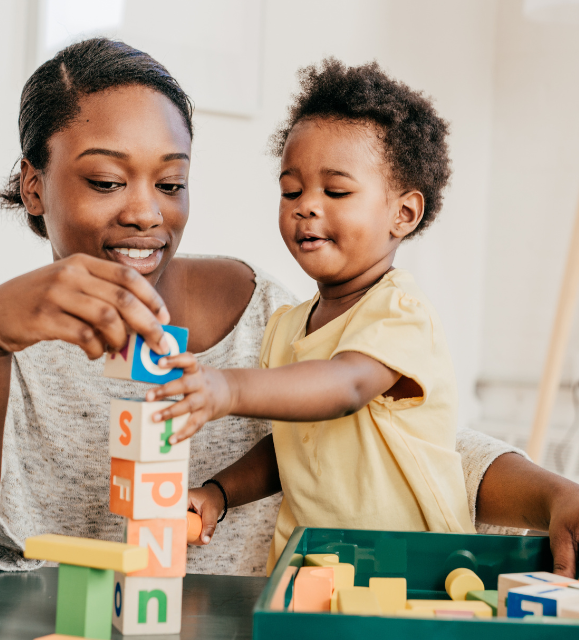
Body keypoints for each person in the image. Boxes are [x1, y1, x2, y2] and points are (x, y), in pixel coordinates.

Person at [0, 37, 579, 592]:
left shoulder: (278, 312)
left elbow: (417, 445)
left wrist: (567, 496)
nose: (143, 213)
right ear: (35, 187)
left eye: (171, 183)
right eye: (103, 181)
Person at [147, 59, 475, 570]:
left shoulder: (399, 312)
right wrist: (218, 492)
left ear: (403, 214)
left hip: (412, 573)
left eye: (336, 192)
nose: (306, 207)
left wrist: (227, 388)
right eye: (292, 191)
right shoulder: (286, 327)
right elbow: (293, 448)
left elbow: (344, 388)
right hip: (311, 570)